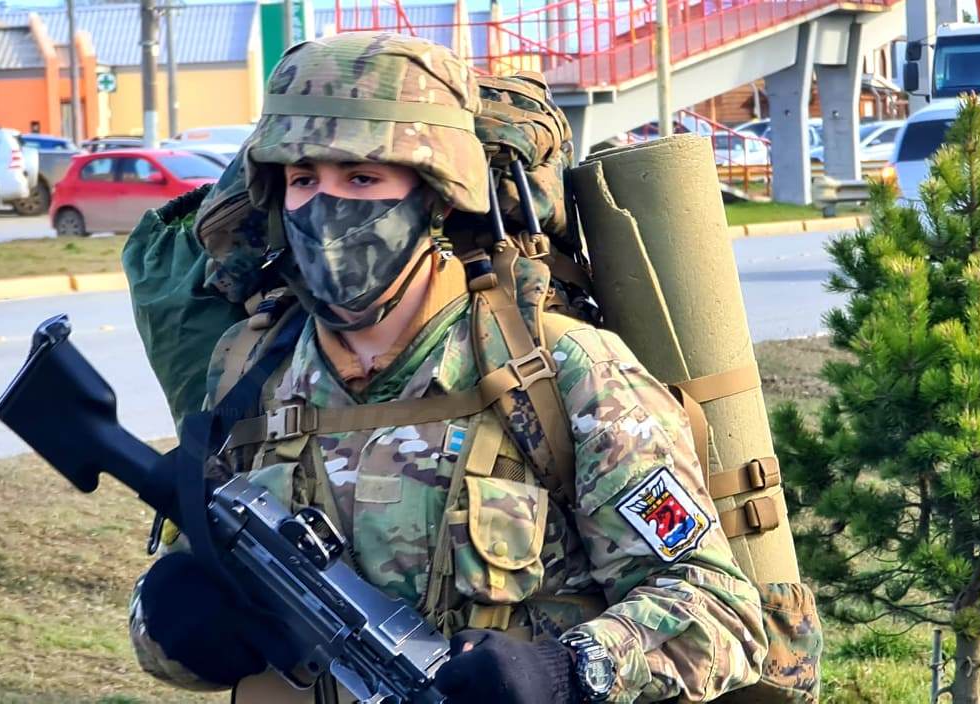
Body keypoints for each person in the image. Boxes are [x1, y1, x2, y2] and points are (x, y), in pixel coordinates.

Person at [128, 32, 767, 703]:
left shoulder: (563, 373)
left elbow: (720, 612)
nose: (326, 206)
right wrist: (171, 625)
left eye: (362, 177)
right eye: (302, 180)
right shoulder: (251, 372)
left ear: (434, 194)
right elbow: (191, 602)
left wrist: (568, 670)